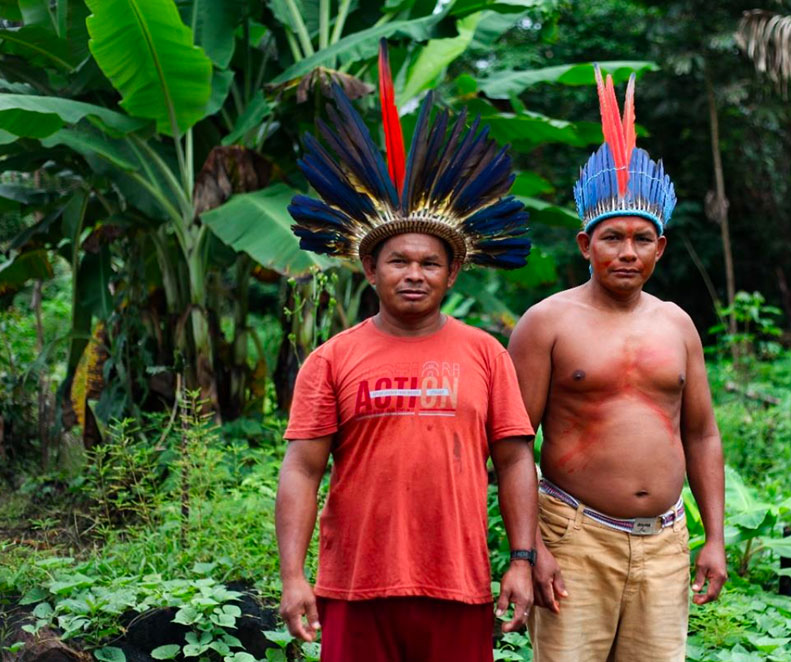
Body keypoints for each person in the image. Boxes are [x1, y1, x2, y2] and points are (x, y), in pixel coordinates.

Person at [275, 40, 538, 662]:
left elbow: (515, 462)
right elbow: (303, 470)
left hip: (461, 586)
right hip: (355, 589)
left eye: (429, 262)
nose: (413, 274)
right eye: (398, 260)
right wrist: (292, 577)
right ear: (370, 267)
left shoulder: (485, 354)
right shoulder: (332, 359)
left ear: (452, 274)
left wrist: (520, 560)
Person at [508, 65, 727, 662]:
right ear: (585, 244)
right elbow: (511, 444)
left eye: (641, 239)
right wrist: (529, 549)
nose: (626, 252)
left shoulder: (677, 324)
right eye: (611, 238)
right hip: (573, 535)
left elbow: (702, 433)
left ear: (660, 246)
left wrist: (715, 537)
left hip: (664, 542)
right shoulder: (546, 323)